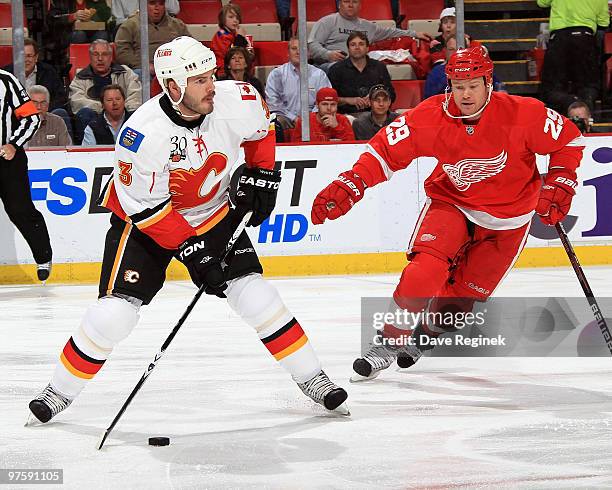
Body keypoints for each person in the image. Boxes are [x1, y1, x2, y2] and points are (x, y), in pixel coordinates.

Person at [28, 36, 348, 424]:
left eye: (211, 75)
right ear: (173, 86)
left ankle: (313, 378)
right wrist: (195, 252)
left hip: (211, 211)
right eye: (199, 80)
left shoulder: (238, 98)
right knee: (115, 314)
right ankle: (59, 390)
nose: (211, 85)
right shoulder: (141, 135)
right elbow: (146, 208)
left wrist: (263, 176)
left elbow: (261, 131)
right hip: (146, 223)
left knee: (256, 294)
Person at [310, 47, 584, 381]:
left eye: (473, 85)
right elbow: (384, 151)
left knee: (456, 305)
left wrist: (561, 182)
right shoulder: (432, 116)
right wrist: (352, 182)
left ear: (488, 82)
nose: (465, 94)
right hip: (452, 203)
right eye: (458, 85)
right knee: (423, 273)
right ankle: (388, 342)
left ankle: (424, 334)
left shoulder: (522, 113)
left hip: (509, 221)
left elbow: (569, 141)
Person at [0, 70, 52, 282]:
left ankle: (43, 257)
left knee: (20, 209)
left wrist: (13, 144)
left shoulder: (6, 80)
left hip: (7, 158)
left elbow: (31, 118)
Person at [308, 0, 432, 72]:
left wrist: (415, 33)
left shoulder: (367, 26)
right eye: (346, 1)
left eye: (354, 1)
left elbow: (391, 32)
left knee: (378, 68)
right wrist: (328, 54)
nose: (350, 5)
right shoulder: (327, 21)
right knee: (342, 69)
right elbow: (312, 44)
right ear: (339, 5)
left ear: (360, 6)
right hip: (331, 65)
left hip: (359, 65)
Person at [537, 0, 609, 114]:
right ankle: (584, 119)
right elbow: (604, 22)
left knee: (553, 87)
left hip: (559, 39)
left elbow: (542, 3)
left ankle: (566, 110)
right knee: (587, 86)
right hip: (585, 39)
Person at [69, 39, 142, 143]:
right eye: (95, 54)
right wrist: (104, 108)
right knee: (84, 113)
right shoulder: (81, 77)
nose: (100, 58)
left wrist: (119, 108)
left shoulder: (125, 73)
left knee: (135, 113)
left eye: (105, 54)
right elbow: (77, 101)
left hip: (123, 115)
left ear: (111, 56)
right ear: (90, 56)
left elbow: (136, 96)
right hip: (94, 117)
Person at [265, 37, 331, 133]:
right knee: (276, 122)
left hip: (316, 118)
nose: (298, 52)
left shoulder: (319, 75)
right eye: (294, 48)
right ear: (288, 53)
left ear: (309, 54)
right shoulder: (277, 74)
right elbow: (274, 104)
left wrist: (311, 118)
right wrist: (294, 118)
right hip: (286, 119)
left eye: (302, 49)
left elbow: (326, 99)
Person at [115, 0, 191, 79]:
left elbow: (191, 47)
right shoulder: (130, 25)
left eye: (161, 4)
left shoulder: (177, 25)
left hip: (173, 68)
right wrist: (144, 65)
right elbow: (122, 52)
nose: (156, 8)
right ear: (143, 5)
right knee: (138, 74)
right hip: (142, 70)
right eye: (152, 3)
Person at [328, 32, 395, 115]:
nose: (357, 47)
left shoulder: (379, 67)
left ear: (367, 48)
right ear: (348, 49)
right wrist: (348, 100)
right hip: (346, 115)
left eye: (361, 44)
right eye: (353, 45)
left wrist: (376, 97)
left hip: (375, 114)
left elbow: (391, 95)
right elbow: (329, 99)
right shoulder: (336, 69)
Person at [424, 36, 505, 99]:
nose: (456, 53)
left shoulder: (480, 68)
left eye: (460, 49)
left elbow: (498, 89)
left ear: (467, 50)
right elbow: (429, 100)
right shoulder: (436, 73)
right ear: (445, 51)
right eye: (451, 49)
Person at [291, 87, 355, 142]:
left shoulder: (343, 120)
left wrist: (337, 127)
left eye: (333, 104)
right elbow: (296, 146)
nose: (329, 108)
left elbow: (353, 146)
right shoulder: (305, 121)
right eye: (324, 104)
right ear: (317, 104)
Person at [211, 3, 251, 78]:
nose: (235, 20)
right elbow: (232, 55)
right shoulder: (221, 35)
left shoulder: (235, 33)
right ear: (223, 19)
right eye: (231, 17)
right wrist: (240, 37)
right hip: (223, 72)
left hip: (238, 70)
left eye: (237, 18)